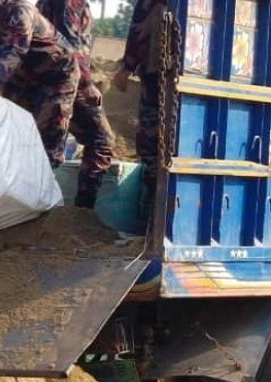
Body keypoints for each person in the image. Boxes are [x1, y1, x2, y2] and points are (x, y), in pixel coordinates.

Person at [0, 0, 81, 171]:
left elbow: (14, 49)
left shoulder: (18, 10)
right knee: (6, 135)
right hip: (17, 77)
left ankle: (44, 189)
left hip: (56, 75)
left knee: (47, 142)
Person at [36, 0, 117, 209]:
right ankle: (80, 212)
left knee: (46, 146)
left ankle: (40, 208)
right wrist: (88, 84)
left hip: (43, 81)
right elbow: (69, 45)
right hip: (62, 80)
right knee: (101, 140)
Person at [113, 0, 168, 226]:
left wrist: (127, 67)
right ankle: (151, 221)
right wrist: (127, 66)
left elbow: (139, 26)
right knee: (153, 149)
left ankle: (151, 221)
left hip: (162, 76)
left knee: (153, 147)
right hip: (159, 74)